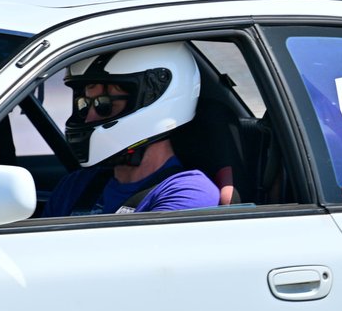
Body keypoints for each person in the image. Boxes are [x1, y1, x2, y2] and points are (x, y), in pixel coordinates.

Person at [41, 42, 219, 217]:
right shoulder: (75, 185)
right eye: (85, 105)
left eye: (104, 105)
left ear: (153, 103)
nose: (89, 118)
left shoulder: (188, 192)